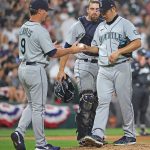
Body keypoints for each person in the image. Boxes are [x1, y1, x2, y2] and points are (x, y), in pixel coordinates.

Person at [10, 0, 85, 150]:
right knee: (39, 108)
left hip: (23, 69)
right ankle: (41, 145)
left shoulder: (24, 27)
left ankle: (19, 132)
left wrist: (52, 47)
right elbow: (53, 54)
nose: (47, 13)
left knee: (32, 105)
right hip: (35, 70)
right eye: (45, 10)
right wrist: (72, 50)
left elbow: (42, 49)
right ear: (39, 11)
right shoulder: (40, 30)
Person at [80, 0, 141, 147]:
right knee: (102, 102)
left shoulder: (124, 23)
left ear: (113, 9)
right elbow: (97, 48)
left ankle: (129, 135)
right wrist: (86, 48)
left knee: (125, 101)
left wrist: (119, 51)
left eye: (105, 11)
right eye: (102, 12)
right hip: (104, 69)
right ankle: (98, 134)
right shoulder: (100, 26)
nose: (103, 14)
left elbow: (137, 42)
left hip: (121, 67)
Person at [56, 0, 103, 146]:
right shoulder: (78, 26)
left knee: (97, 101)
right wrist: (61, 70)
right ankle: (83, 135)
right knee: (87, 97)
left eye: (97, 9)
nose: (95, 11)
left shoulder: (105, 25)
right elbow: (66, 48)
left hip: (101, 65)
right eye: (92, 8)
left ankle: (94, 134)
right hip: (84, 63)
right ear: (87, 10)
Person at [131, 48, 150, 136]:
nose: (143, 58)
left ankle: (142, 129)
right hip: (136, 88)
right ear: (138, 55)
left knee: (144, 109)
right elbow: (132, 75)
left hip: (146, 89)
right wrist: (140, 65)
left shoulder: (147, 65)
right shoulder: (134, 64)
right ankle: (133, 129)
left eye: (144, 56)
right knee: (135, 109)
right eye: (142, 55)